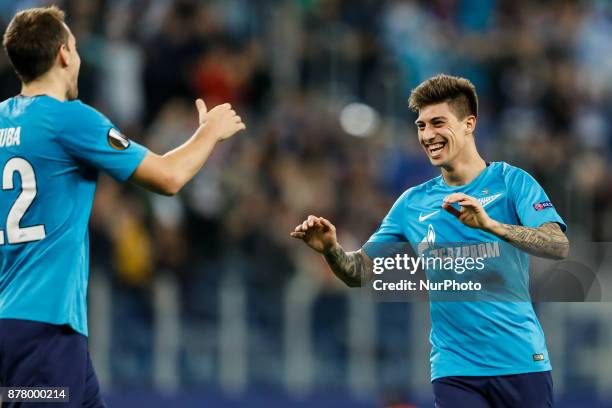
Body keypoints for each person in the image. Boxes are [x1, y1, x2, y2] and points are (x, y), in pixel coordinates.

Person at [0, 6, 245, 407]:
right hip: (45, 329)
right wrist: (209, 134)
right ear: (64, 54)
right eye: (76, 49)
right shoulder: (70, 119)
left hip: (23, 328)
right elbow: (167, 177)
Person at [291, 74, 569, 407]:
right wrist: (331, 251)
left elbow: (557, 245)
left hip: (521, 361)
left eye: (438, 123)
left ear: (469, 124)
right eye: (421, 126)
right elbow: (359, 272)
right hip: (455, 369)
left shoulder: (512, 182)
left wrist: (493, 225)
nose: (428, 135)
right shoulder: (411, 204)